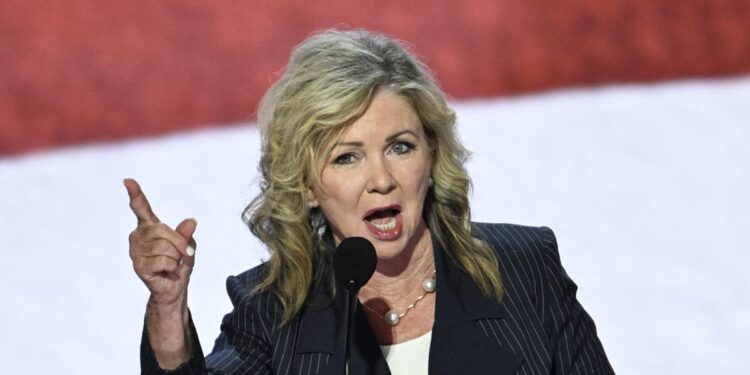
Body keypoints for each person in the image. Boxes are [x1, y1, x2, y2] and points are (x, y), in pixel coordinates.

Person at [126, 29, 614, 375]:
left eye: (400, 146)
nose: (381, 179)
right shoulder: (273, 313)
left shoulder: (524, 270)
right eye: (346, 158)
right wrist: (168, 308)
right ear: (308, 187)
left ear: (431, 155)